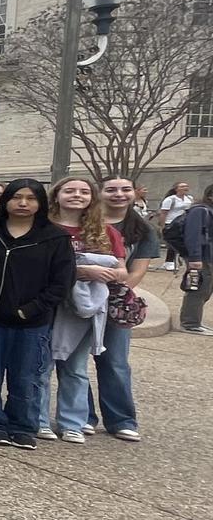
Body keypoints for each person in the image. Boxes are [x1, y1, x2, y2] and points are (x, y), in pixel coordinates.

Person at [0, 179, 75, 450]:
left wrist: (31, 309)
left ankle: (23, 426)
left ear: (41, 203)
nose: (23, 203)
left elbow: (62, 283)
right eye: (17, 197)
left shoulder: (55, 238)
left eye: (30, 198)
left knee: (27, 377)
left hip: (32, 322)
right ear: (5, 201)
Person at [41, 178, 126, 444]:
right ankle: (39, 420)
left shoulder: (104, 231)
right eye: (70, 190)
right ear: (56, 195)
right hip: (48, 305)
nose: (77, 195)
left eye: (84, 191)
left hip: (84, 310)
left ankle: (72, 423)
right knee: (40, 367)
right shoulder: (43, 226)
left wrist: (105, 272)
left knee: (76, 369)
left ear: (92, 197)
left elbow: (122, 270)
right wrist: (79, 270)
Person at [95, 176, 154, 441]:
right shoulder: (84, 221)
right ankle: (81, 417)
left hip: (116, 304)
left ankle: (121, 420)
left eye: (125, 189)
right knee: (69, 361)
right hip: (77, 302)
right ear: (100, 193)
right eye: (111, 190)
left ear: (134, 193)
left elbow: (137, 271)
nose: (118, 194)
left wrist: (112, 297)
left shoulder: (142, 230)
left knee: (115, 362)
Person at [181, 185, 213, 336]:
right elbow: (192, 235)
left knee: (205, 289)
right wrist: (195, 257)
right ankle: (190, 322)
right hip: (201, 257)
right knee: (199, 288)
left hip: (208, 256)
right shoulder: (200, 210)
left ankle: (194, 321)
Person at [160, 182, 196, 271]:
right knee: (172, 243)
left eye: (186, 186)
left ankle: (180, 259)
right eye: (182, 186)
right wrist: (162, 226)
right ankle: (169, 262)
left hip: (184, 223)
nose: (185, 188)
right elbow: (163, 213)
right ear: (176, 189)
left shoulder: (189, 199)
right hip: (171, 223)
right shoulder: (170, 199)